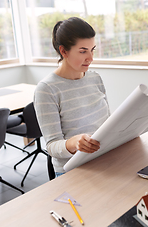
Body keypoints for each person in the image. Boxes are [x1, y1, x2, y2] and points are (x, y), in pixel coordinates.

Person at [34, 17, 110, 177]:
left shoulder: (95, 78)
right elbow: (52, 146)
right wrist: (74, 143)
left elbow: (107, 123)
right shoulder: (47, 89)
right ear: (63, 51)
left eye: (92, 50)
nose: (90, 58)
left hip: (104, 159)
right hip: (74, 170)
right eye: (83, 51)